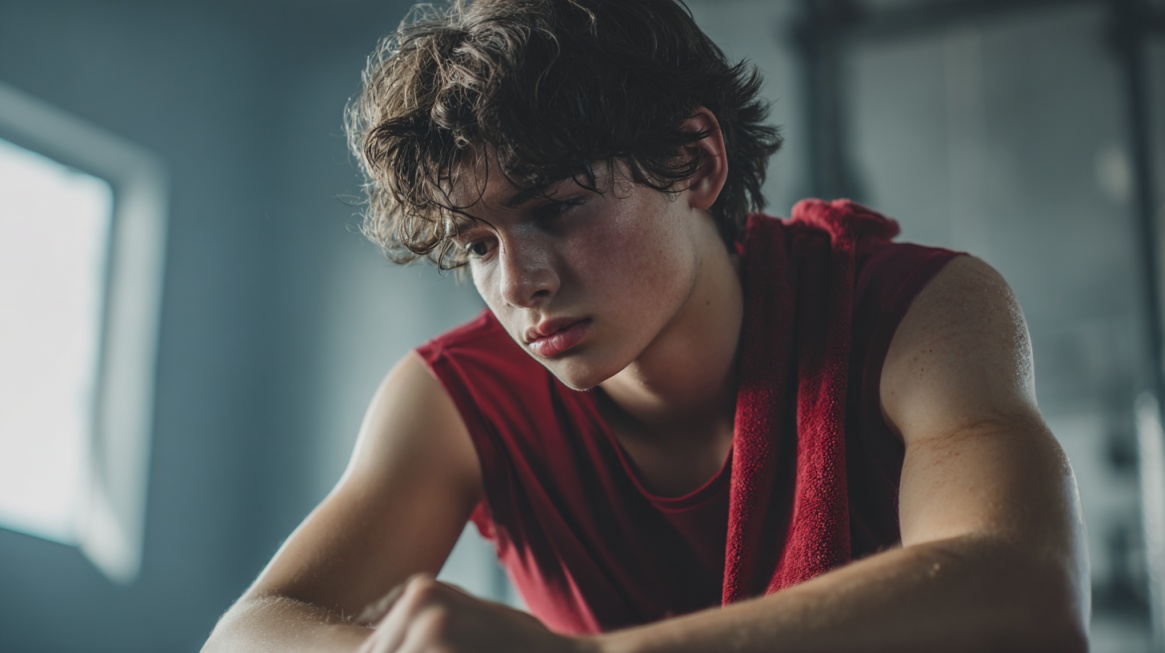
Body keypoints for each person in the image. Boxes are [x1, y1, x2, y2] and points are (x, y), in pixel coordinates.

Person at [202, 0, 1090, 650]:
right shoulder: (457, 397)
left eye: (556, 208)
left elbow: (1027, 589)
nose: (519, 283)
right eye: (477, 243)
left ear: (695, 162)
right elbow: (248, 633)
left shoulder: (913, 310)